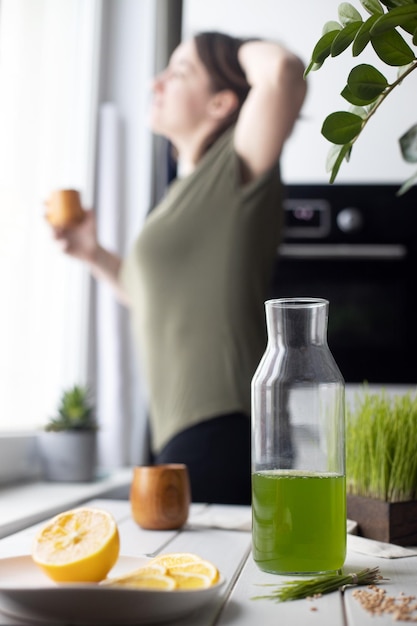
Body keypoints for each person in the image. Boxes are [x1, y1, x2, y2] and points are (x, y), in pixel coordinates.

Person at [51, 31, 307, 504]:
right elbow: (154, 296)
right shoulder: (180, 197)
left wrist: (225, 48)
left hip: (224, 430)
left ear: (221, 103)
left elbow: (283, 74)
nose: (156, 82)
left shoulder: (237, 162)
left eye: (180, 71)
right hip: (181, 433)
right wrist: (93, 253)